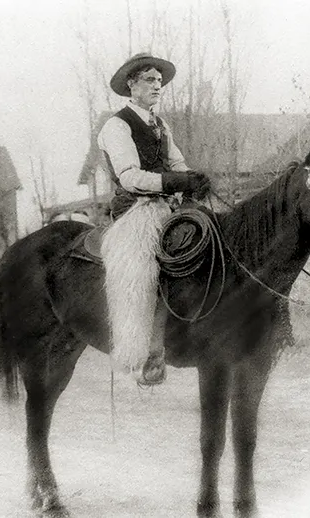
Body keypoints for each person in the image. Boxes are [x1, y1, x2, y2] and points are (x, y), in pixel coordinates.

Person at [97, 52, 210, 386]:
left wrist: (193, 178)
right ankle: (142, 355)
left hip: (167, 206)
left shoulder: (161, 125)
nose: (157, 86)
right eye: (149, 79)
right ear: (132, 85)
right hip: (136, 209)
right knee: (142, 269)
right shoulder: (117, 125)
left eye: (159, 81)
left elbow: (177, 163)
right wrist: (173, 183)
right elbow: (130, 176)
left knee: (211, 238)